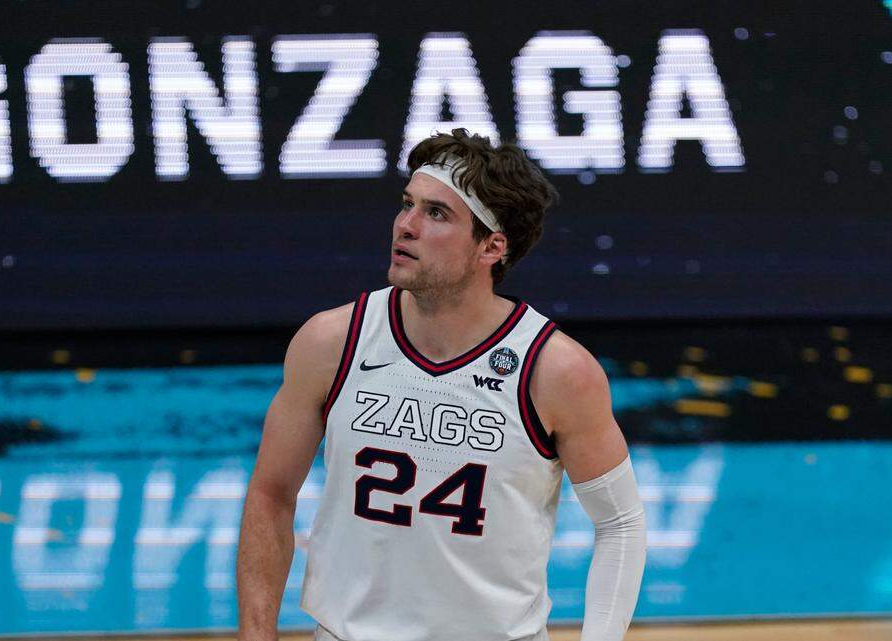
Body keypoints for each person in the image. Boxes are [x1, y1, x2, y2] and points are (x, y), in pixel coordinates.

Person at [236, 128, 646, 641]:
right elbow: (271, 495)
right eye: (407, 204)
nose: (405, 226)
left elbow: (621, 524)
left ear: (491, 247)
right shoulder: (331, 341)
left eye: (436, 214)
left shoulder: (556, 370)